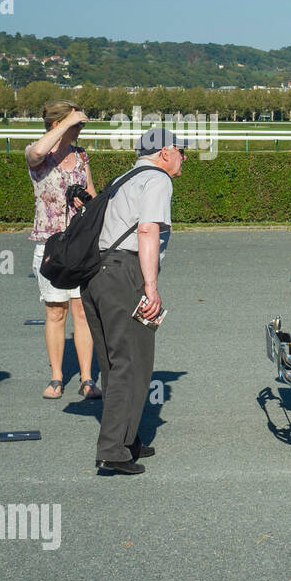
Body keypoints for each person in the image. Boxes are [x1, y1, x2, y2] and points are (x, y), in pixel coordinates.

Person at [80, 126, 184, 475]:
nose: (184, 157)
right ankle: (112, 449)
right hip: (125, 273)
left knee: (113, 363)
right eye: (181, 150)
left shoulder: (126, 176)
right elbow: (146, 230)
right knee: (133, 362)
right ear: (164, 153)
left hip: (96, 274)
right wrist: (151, 286)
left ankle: (126, 438)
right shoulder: (157, 180)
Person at [26, 101, 101, 399]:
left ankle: (86, 378)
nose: (81, 129)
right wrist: (64, 126)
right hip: (50, 245)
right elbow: (39, 152)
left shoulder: (81, 155)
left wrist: (89, 202)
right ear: (59, 125)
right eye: (77, 124)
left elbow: (93, 192)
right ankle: (57, 377)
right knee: (56, 311)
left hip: (80, 244)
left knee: (82, 311)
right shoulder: (36, 153)